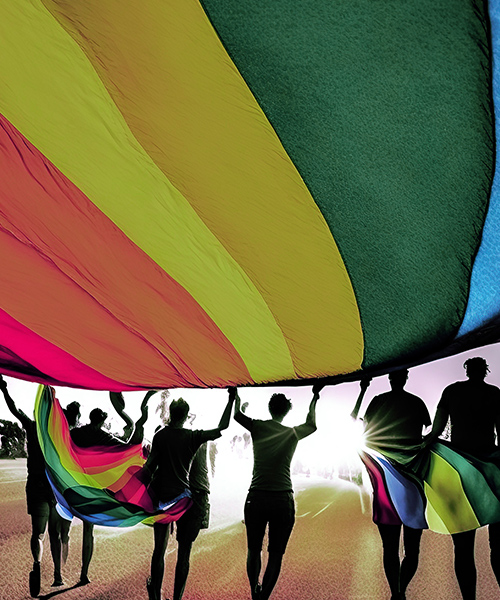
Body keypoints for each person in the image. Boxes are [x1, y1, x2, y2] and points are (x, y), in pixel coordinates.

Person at [233, 384, 322, 600]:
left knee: (254, 550)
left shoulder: (258, 427)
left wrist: (236, 393)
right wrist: (315, 397)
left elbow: (237, 415)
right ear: (286, 412)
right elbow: (312, 425)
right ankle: (263, 597)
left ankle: (255, 591)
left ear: (270, 408)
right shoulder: (292, 433)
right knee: (275, 555)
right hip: (282, 498)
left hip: (257, 496)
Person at [144, 391, 235, 600]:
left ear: (170, 413)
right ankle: (176, 598)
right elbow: (222, 428)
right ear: (186, 416)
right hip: (184, 499)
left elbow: (149, 468)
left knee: (159, 550)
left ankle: (156, 597)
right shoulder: (192, 437)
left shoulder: (160, 436)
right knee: (184, 553)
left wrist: (130, 489)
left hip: (161, 498)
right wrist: (231, 399)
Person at [425, 357, 500, 600]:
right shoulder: (494, 394)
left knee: (464, 546)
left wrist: (424, 444)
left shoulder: (452, 391)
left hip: (461, 470)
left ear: (467, 371)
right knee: (498, 548)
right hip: (490, 469)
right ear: (484, 372)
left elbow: (436, 430)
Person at [362, 370, 431, 600]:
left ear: (390, 378)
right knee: (412, 550)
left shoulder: (378, 402)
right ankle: (400, 591)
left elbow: (366, 438)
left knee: (390, 548)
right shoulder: (417, 403)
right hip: (411, 484)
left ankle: (396, 593)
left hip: (385, 484)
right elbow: (424, 440)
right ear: (406, 378)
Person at [0, 376, 65, 595]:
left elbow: (14, 410)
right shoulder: (56, 432)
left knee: (38, 533)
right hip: (53, 487)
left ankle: (37, 563)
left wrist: (4, 389)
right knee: (55, 533)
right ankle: (58, 575)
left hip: (35, 484)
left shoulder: (32, 426)